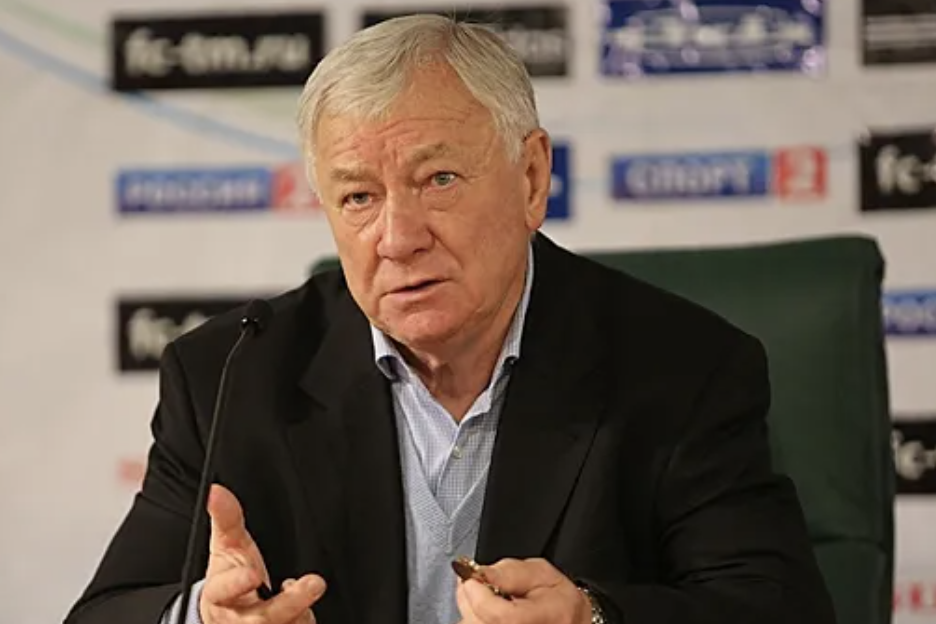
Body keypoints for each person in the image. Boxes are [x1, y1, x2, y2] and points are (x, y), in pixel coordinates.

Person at [64, 14, 837, 624]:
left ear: (531, 178)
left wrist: (593, 617)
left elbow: (778, 610)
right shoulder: (232, 377)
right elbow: (108, 612)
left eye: (438, 179)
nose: (398, 238)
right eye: (359, 196)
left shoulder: (682, 367)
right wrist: (204, 616)